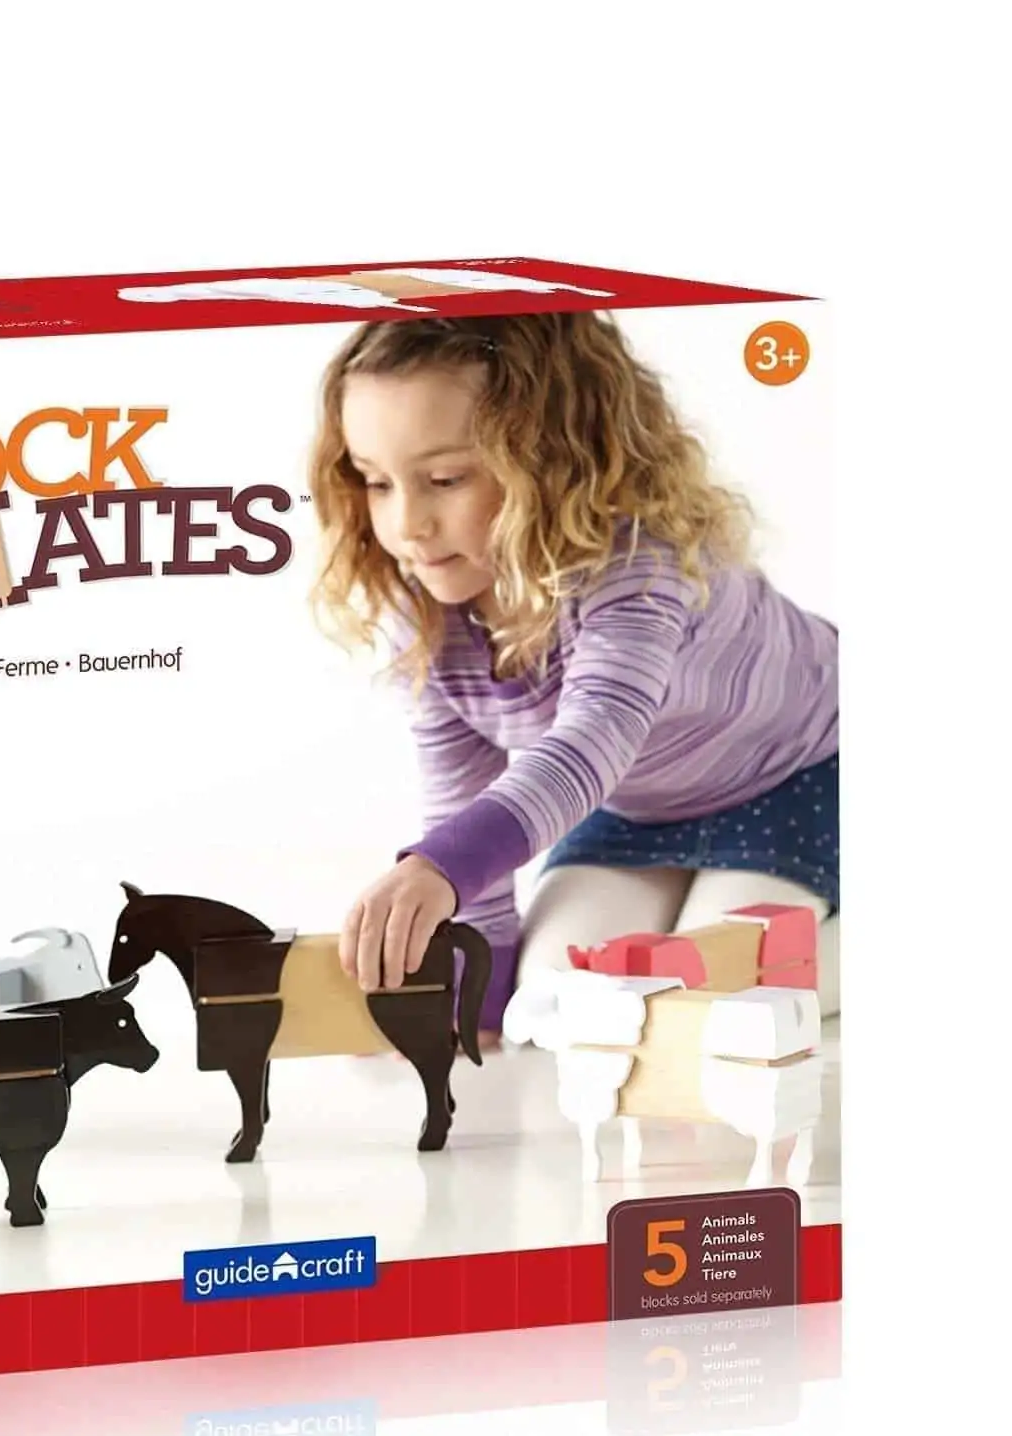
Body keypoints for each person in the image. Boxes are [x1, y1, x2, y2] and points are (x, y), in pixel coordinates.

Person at [315, 314, 839, 1036]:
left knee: (712, 999)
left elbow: (592, 741)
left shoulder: (640, 566)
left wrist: (439, 868)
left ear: (555, 460)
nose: (407, 524)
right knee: (554, 1001)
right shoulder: (429, 603)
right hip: (631, 809)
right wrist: (477, 1007)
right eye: (376, 482)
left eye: (445, 479)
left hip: (799, 778)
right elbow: (459, 787)